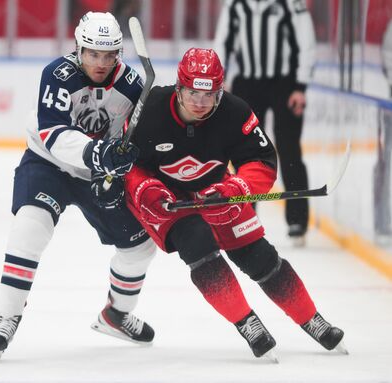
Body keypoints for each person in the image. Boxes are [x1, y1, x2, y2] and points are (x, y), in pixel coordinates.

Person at [122, 47, 346, 360]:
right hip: (164, 200)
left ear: (220, 90)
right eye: (192, 94)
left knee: (260, 256)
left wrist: (235, 187)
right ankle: (247, 322)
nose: (200, 103)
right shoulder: (151, 109)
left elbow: (262, 160)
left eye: (209, 95)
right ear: (179, 88)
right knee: (197, 242)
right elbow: (127, 165)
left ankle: (313, 319)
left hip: (217, 191)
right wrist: (146, 189)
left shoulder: (235, 111)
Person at [0, 11, 157, 362]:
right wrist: (99, 153)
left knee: (141, 245)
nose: (101, 62)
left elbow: (138, 140)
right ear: (79, 48)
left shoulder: (134, 85)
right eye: (93, 53)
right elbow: (52, 133)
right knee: (29, 226)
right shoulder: (57, 74)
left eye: (109, 55)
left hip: (97, 173)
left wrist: (124, 162)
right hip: (49, 163)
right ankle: (8, 317)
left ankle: (117, 315)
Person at [212, 0, 316, 246]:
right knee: (245, 154)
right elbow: (223, 41)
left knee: (289, 149)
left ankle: (297, 220)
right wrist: (220, 79)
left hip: (285, 84)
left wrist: (300, 86)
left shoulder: (291, 3)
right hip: (248, 84)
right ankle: (245, 215)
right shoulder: (235, 4)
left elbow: (306, 42)